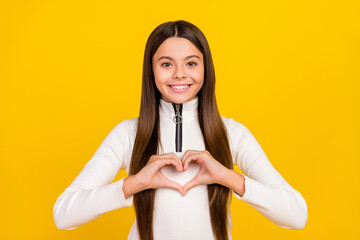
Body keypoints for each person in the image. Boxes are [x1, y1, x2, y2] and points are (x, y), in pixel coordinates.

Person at [53, 20, 308, 240]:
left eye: (191, 63)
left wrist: (226, 176)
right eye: (166, 64)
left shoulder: (232, 133)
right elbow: (63, 214)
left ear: (205, 68)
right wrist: (133, 183)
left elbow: (296, 215)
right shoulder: (128, 134)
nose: (179, 74)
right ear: (151, 70)